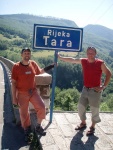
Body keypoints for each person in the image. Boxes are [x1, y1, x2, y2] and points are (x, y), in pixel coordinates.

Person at [58, 47, 112, 136]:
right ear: (86, 53)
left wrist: (103, 86)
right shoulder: (84, 61)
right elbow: (73, 60)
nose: (90, 55)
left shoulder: (100, 63)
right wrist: (60, 58)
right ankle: (83, 123)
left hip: (95, 91)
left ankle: (92, 127)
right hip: (85, 89)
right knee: (80, 107)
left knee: (94, 110)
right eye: (88, 53)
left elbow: (109, 73)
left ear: (95, 54)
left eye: (92, 53)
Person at [11, 48, 54, 143]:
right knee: (24, 113)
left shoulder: (33, 64)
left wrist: (51, 66)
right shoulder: (16, 67)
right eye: (25, 53)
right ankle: (27, 130)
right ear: (21, 55)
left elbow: (40, 71)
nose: (27, 55)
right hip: (22, 93)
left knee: (42, 107)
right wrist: (14, 98)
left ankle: (38, 126)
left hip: (33, 92)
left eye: (28, 53)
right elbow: (13, 83)